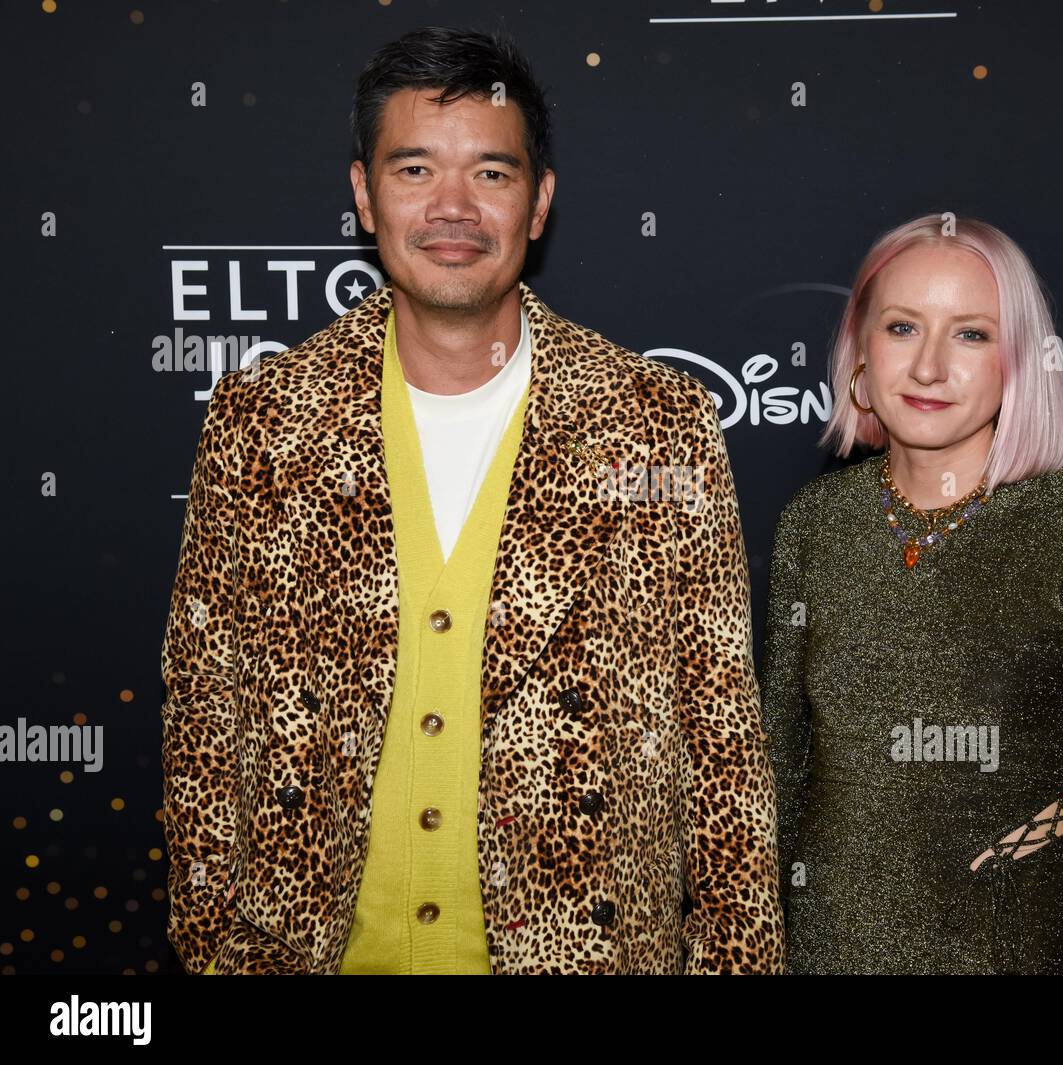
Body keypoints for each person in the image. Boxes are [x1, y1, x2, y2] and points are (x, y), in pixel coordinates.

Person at [161, 25, 783, 975]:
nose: (453, 207)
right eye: (414, 169)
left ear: (539, 203)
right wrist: (215, 951)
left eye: (491, 174)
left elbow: (723, 740)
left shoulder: (659, 422)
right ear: (365, 195)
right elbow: (203, 707)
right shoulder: (263, 419)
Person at [759, 213, 1063, 974]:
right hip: (825, 950)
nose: (927, 368)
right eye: (901, 327)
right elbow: (779, 775)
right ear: (860, 348)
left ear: (1019, 361)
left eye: (970, 335)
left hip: (1017, 950)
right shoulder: (814, 524)